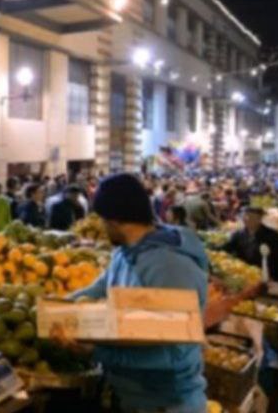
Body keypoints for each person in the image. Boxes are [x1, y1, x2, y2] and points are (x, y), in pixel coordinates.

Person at [68, 174, 209, 413]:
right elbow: (100, 288)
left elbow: (175, 354)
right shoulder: (126, 252)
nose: (102, 227)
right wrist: (55, 309)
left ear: (114, 220)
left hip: (167, 403)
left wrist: (97, 352)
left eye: (102, 221)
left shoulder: (170, 267)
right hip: (130, 396)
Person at [223, 206, 278, 282]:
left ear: (259, 219)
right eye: (244, 216)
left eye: (250, 216)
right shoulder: (238, 234)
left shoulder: (273, 236)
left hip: (267, 278)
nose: (246, 219)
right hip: (244, 276)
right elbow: (226, 248)